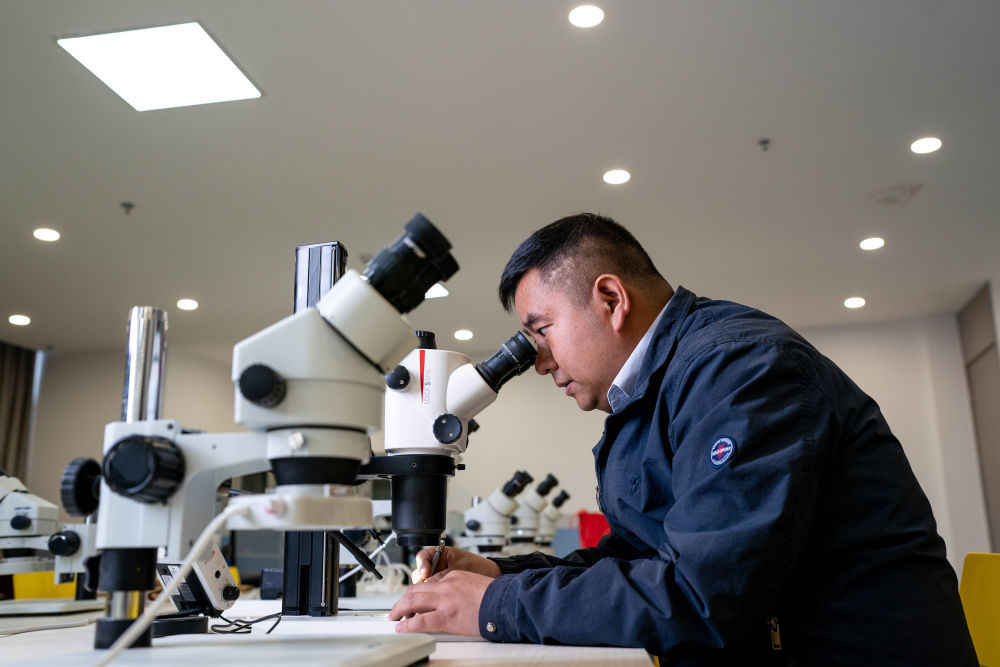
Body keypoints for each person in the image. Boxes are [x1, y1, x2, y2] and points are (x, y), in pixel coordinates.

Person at [388, 213, 977, 664]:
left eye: (541, 331)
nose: (539, 363)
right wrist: (502, 575)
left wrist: (494, 607)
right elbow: (637, 558)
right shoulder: (649, 399)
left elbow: (702, 597)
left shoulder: (741, 369)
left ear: (611, 299)